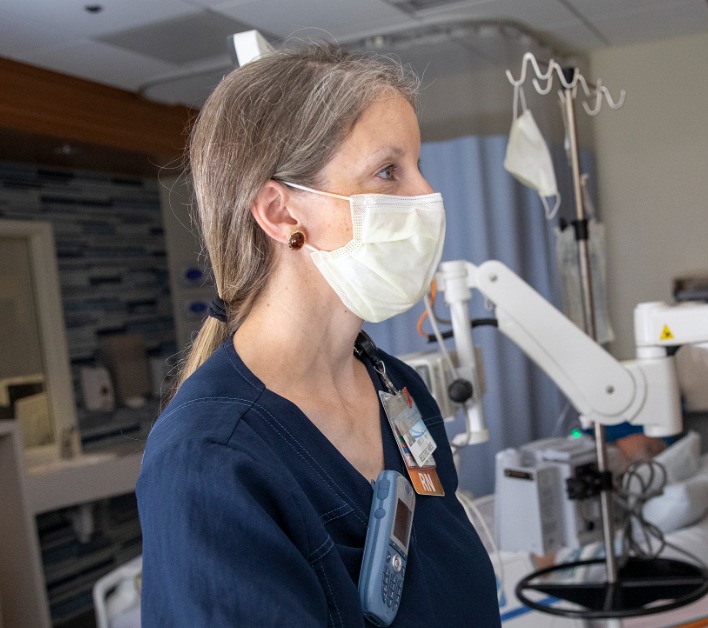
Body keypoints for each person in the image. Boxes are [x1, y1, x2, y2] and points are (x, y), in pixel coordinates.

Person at [136, 43, 500, 626]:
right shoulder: (208, 460)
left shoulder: (396, 390)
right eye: (388, 171)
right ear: (281, 214)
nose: (426, 196)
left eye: (418, 166)